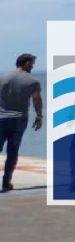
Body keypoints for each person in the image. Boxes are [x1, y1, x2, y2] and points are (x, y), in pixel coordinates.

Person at [1, 53, 43, 193]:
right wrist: (39, 116)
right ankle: (6, 182)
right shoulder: (32, 81)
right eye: (31, 64)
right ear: (25, 63)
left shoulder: (3, 78)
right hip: (19, 120)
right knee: (13, 152)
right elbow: (36, 99)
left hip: (1, 118)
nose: (32, 67)